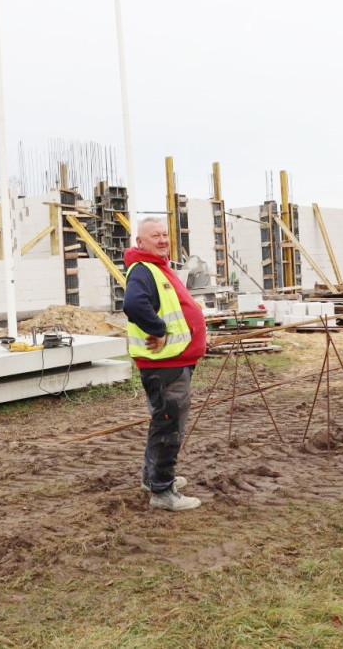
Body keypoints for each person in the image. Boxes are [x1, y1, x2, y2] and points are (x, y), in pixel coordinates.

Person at [123, 217, 207, 511]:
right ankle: (162, 491)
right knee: (169, 426)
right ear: (140, 242)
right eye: (154, 236)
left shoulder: (157, 267)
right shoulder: (143, 270)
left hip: (173, 361)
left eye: (164, 235)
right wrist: (158, 330)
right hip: (165, 365)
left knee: (163, 422)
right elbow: (133, 304)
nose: (162, 240)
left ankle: (153, 478)